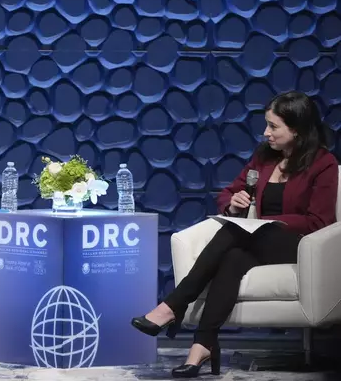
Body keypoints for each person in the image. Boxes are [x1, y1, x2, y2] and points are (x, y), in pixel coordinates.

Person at [131, 91, 338, 378]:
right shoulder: (264, 157)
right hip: (258, 241)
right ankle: (202, 345)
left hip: (301, 245)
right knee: (234, 257)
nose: (266, 133)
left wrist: (267, 222)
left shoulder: (323, 164)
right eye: (266, 124)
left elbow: (319, 221)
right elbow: (229, 192)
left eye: (274, 126)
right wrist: (234, 201)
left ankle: (173, 305)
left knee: (232, 233)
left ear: (298, 129)